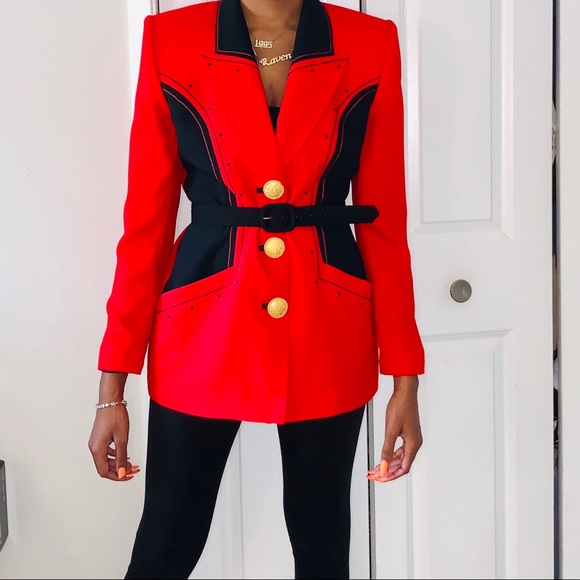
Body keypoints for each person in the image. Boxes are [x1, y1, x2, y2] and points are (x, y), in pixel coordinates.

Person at [88, 0, 425, 578]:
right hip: (202, 320)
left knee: (323, 548)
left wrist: (405, 377)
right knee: (166, 544)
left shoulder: (370, 41)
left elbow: (384, 224)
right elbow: (146, 225)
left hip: (328, 321)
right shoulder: (172, 37)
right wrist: (111, 388)